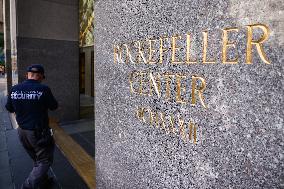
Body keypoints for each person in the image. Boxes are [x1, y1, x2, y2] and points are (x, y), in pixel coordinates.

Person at [5, 64, 58, 189]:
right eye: (41, 77)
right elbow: (54, 106)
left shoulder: (14, 89)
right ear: (40, 76)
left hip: (22, 131)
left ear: (27, 75)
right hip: (38, 132)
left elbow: (9, 108)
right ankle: (28, 186)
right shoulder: (43, 89)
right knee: (45, 160)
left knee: (36, 158)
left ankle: (42, 182)